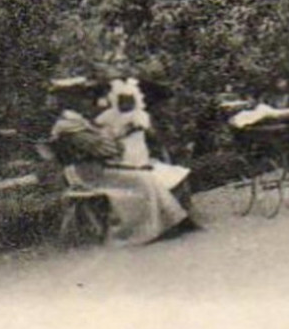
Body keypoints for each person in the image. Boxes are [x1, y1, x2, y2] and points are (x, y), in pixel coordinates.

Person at [49, 76, 192, 246]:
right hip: (88, 172)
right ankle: (140, 231)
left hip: (95, 166)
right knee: (143, 179)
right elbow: (105, 149)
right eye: (81, 96)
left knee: (147, 174)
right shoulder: (70, 125)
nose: (86, 100)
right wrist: (116, 143)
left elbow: (104, 145)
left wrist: (113, 141)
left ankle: (167, 222)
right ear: (69, 100)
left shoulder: (77, 121)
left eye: (84, 96)